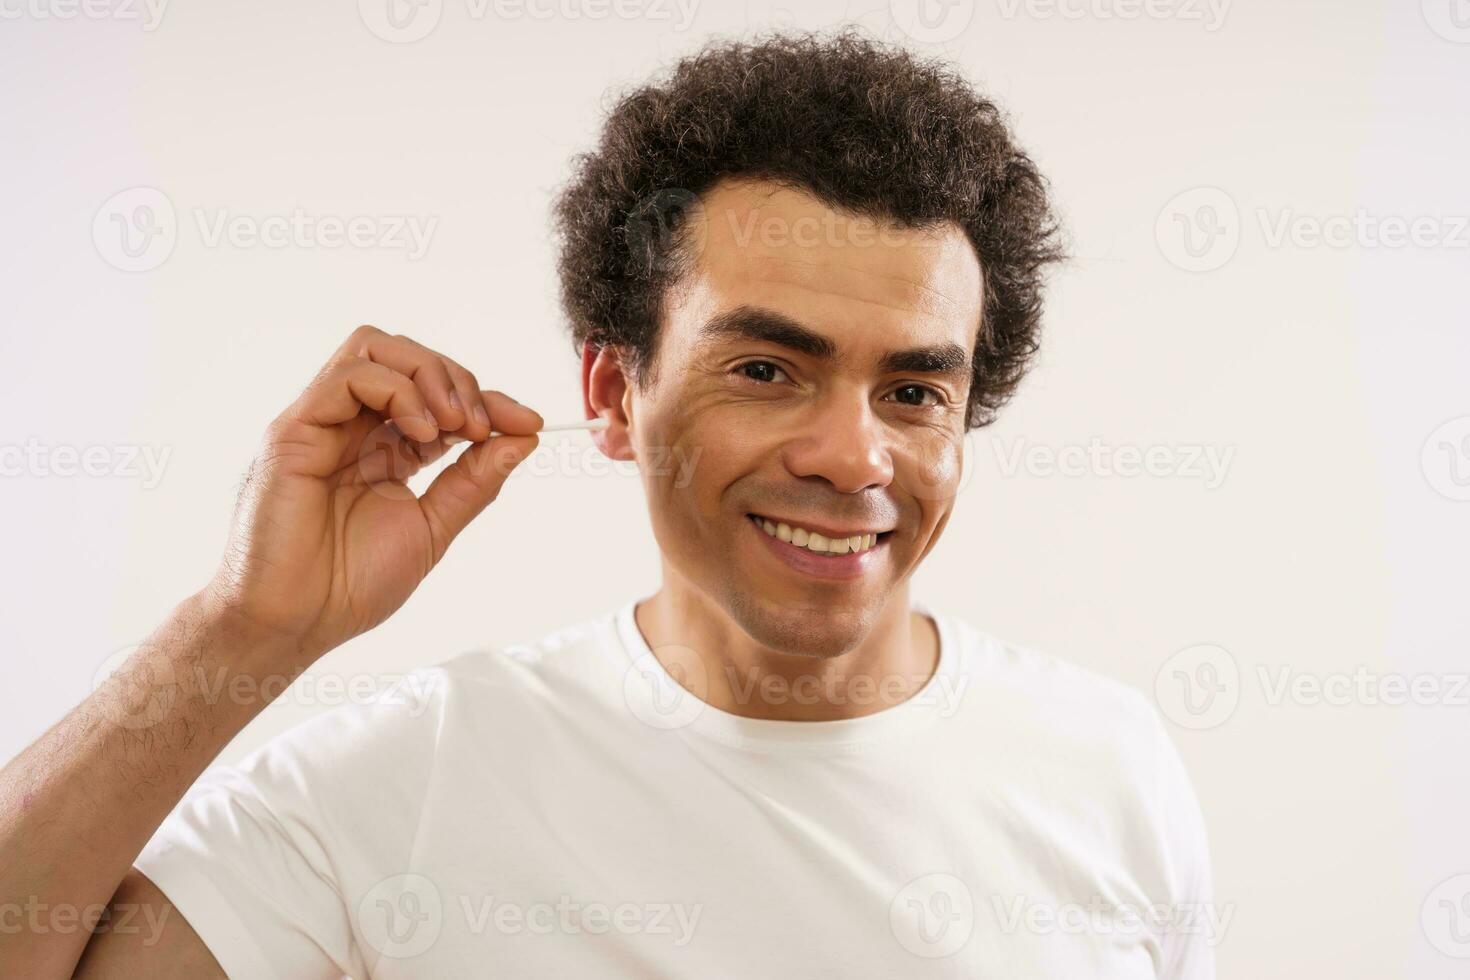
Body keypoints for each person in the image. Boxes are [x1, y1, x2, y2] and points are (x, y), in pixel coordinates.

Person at [0, 29, 1215, 978]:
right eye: (766, 369)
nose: (855, 457)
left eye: (911, 387)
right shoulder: (415, 774)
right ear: (614, 391)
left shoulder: (1108, 768)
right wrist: (245, 625)